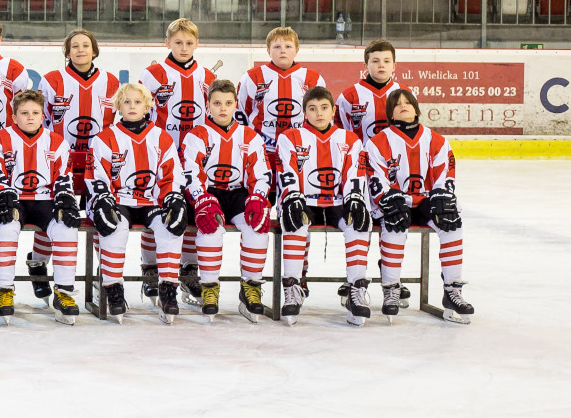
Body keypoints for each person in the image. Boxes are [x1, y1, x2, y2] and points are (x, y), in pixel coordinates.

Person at [87, 82, 190, 323]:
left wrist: (174, 198)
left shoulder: (161, 137)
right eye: (126, 102)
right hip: (118, 200)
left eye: (137, 102)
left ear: (147, 106)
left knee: (169, 227)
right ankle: (113, 290)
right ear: (117, 106)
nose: (132, 106)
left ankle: (168, 290)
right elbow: (97, 176)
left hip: (151, 200)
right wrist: (103, 201)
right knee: (114, 228)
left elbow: (171, 175)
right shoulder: (104, 138)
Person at [366, 88, 471, 323]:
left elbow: (445, 174)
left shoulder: (436, 140)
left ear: (416, 109)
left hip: (425, 201)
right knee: (393, 223)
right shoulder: (378, 142)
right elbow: (375, 178)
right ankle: (391, 289)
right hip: (396, 202)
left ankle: (452, 291)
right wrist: (387, 198)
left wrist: (443, 196)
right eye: (397, 104)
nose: (403, 106)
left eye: (408, 103)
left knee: (452, 222)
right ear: (390, 113)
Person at [273, 85, 374, 326]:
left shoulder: (349, 139)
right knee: (294, 221)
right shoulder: (289, 137)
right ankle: (293, 287)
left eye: (324, 108)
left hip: (337, 201)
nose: (319, 113)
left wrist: (354, 198)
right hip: (304, 200)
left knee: (359, 222)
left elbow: (355, 173)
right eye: (312, 108)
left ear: (333, 110)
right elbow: (286, 171)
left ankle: (356, 289)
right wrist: (292, 196)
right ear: (304, 112)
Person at [0, 89, 81, 323]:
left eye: (35, 113)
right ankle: (4, 291)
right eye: (24, 113)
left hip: (45, 199)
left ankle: (64, 292)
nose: (30, 117)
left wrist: (65, 197)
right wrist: (2, 193)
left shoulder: (56, 141)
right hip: (13, 199)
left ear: (42, 115)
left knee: (66, 228)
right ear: (13, 116)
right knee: (5, 228)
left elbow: (64, 175)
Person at [35, 29, 117, 299]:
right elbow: (39, 121)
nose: (80, 50)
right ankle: (38, 263)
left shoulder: (111, 82)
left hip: (98, 166)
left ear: (94, 50)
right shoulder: (51, 80)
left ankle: (105, 273)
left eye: (86, 45)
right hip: (60, 164)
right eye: (75, 46)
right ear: (67, 52)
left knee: (102, 216)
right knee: (55, 216)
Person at [180, 80, 272, 321]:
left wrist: (258, 198)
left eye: (228, 103)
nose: (223, 108)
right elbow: (190, 174)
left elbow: (262, 173)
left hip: (237, 194)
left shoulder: (249, 136)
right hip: (209, 194)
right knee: (210, 228)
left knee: (257, 226)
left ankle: (250, 287)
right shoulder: (196, 135)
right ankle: (209, 288)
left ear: (235, 105)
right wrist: (201, 199)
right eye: (217, 103)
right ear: (208, 105)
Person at [138, 18, 216, 301]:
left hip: (196, 158)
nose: (184, 48)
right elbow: (140, 114)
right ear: (167, 43)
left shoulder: (207, 77)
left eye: (189, 43)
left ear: (197, 44)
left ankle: (189, 269)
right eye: (178, 42)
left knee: (194, 211)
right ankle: (150, 269)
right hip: (159, 157)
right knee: (157, 211)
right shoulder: (152, 75)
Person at [239, 25, 327, 171]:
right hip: (260, 149)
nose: (283, 51)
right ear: (268, 51)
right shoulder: (252, 77)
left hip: (300, 149)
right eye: (277, 47)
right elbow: (241, 112)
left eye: (288, 46)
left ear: (296, 50)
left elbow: (322, 117)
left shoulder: (313, 78)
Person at [338, 38, 402, 141]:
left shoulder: (406, 94)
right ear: (366, 66)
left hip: (396, 151)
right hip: (361, 151)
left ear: (394, 66)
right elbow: (339, 134)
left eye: (386, 61)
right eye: (375, 61)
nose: (381, 65)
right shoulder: (348, 96)